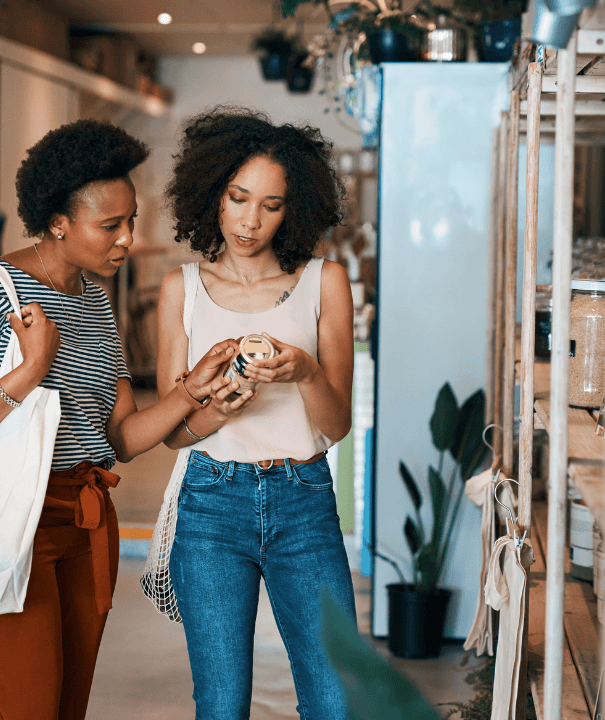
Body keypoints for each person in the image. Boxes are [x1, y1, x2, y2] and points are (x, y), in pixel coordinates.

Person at [0, 120, 236, 720]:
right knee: (26, 709)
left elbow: (121, 439)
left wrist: (197, 391)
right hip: (8, 523)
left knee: (66, 709)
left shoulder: (93, 300)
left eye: (131, 220)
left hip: (86, 522)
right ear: (58, 221)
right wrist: (27, 373)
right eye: (110, 225)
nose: (128, 240)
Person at [156, 107, 357, 720]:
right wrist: (212, 407)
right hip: (212, 504)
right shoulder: (181, 288)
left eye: (270, 204)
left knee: (334, 699)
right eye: (238, 198)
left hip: (305, 501)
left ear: (293, 208)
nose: (250, 220)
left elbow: (338, 424)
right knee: (220, 706)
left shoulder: (326, 281)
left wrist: (306, 373)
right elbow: (172, 434)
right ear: (212, 194)